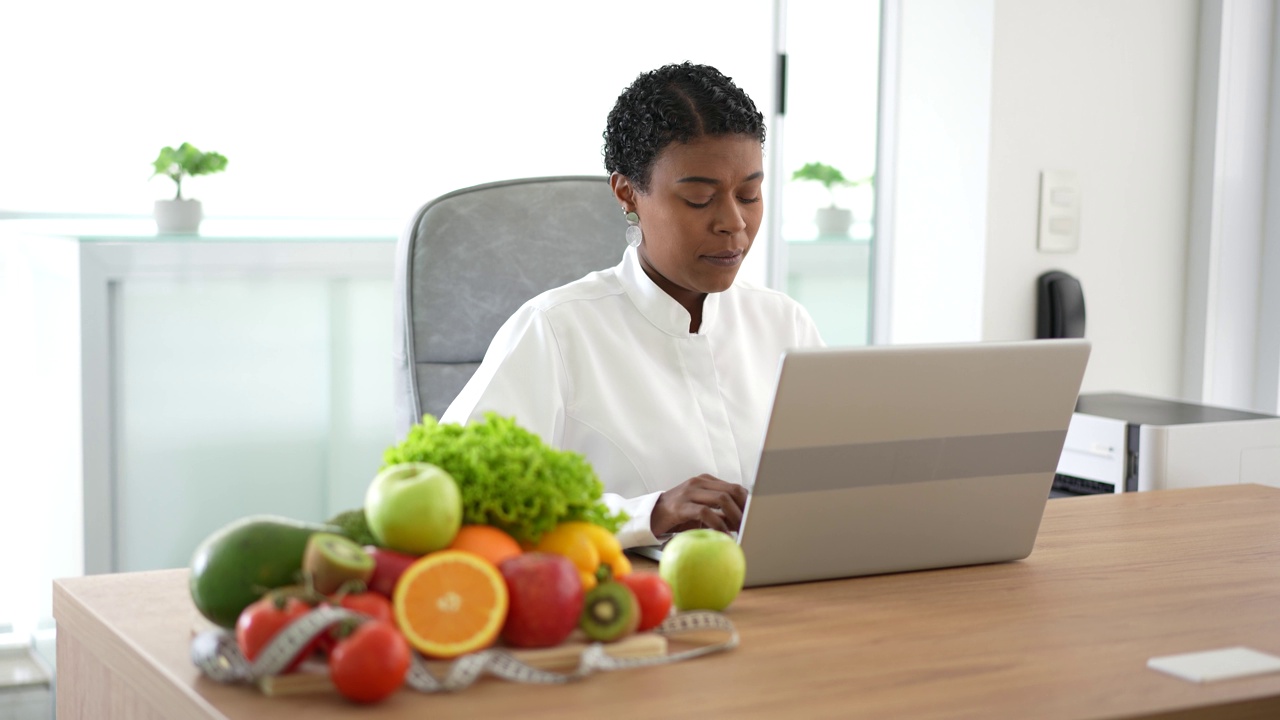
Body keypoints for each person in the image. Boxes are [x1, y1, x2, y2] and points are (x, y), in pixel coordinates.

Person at [441, 62, 824, 549]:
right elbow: (456, 498)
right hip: (627, 607)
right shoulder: (556, 331)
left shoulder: (785, 324)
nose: (734, 222)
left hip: (792, 599)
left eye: (749, 193)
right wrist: (650, 513)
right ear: (627, 194)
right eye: (700, 199)